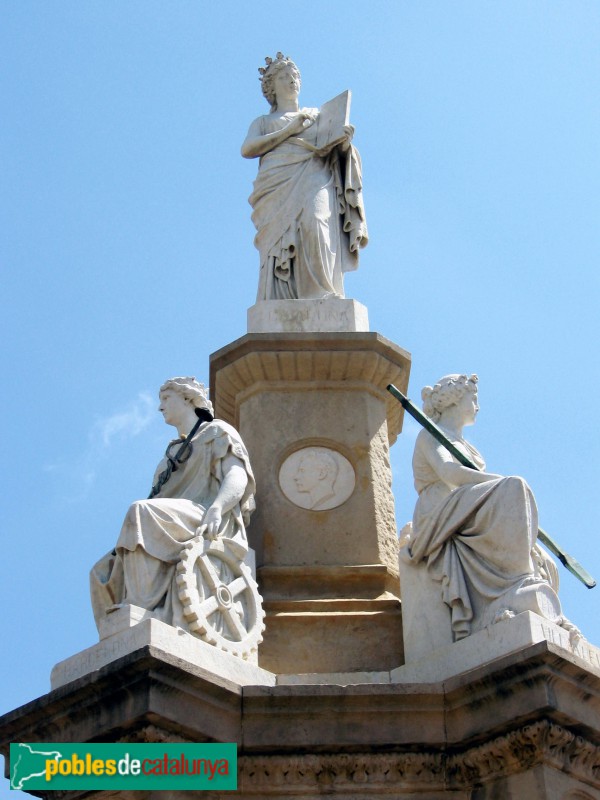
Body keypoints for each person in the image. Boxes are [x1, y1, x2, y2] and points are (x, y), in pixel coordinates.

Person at [403, 374, 567, 641]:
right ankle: (515, 585)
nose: (477, 405)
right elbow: (450, 472)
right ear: (455, 401)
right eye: (473, 399)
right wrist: (501, 483)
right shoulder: (430, 434)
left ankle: (517, 587)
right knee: (515, 488)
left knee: (542, 556)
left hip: (466, 505)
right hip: (441, 510)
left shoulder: (468, 446)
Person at [90, 377, 256, 631]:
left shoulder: (217, 432)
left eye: (166, 399)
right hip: (172, 518)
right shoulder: (169, 457)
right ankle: (118, 626)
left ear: (188, 398)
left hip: (203, 513)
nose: (160, 407)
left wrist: (217, 507)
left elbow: (237, 475)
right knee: (102, 571)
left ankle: (140, 606)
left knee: (140, 511)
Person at [241, 53, 368, 301]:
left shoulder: (317, 117)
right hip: (276, 184)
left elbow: (335, 153)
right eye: (284, 76)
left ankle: (321, 291)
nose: (292, 81)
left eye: (295, 76)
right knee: (281, 239)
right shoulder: (265, 122)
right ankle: (282, 297)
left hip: (315, 176)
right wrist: (290, 130)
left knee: (318, 222)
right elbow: (248, 149)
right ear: (272, 88)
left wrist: (343, 144)